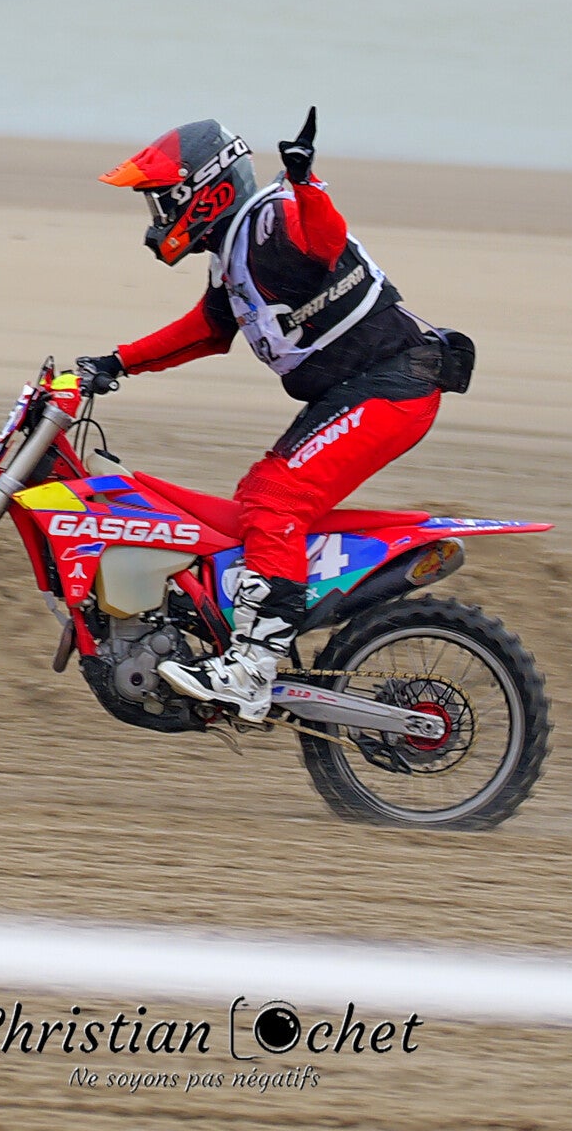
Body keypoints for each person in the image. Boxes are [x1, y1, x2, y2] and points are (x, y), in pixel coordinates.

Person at [78, 109, 470, 720]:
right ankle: (249, 630)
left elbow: (323, 241)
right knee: (258, 499)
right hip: (356, 391)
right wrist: (116, 362)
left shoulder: (271, 220)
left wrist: (306, 184)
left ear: (205, 192)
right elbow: (207, 331)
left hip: (393, 386)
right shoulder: (231, 254)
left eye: (163, 201)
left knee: (275, 500)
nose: (157, 218)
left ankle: (253, 667)